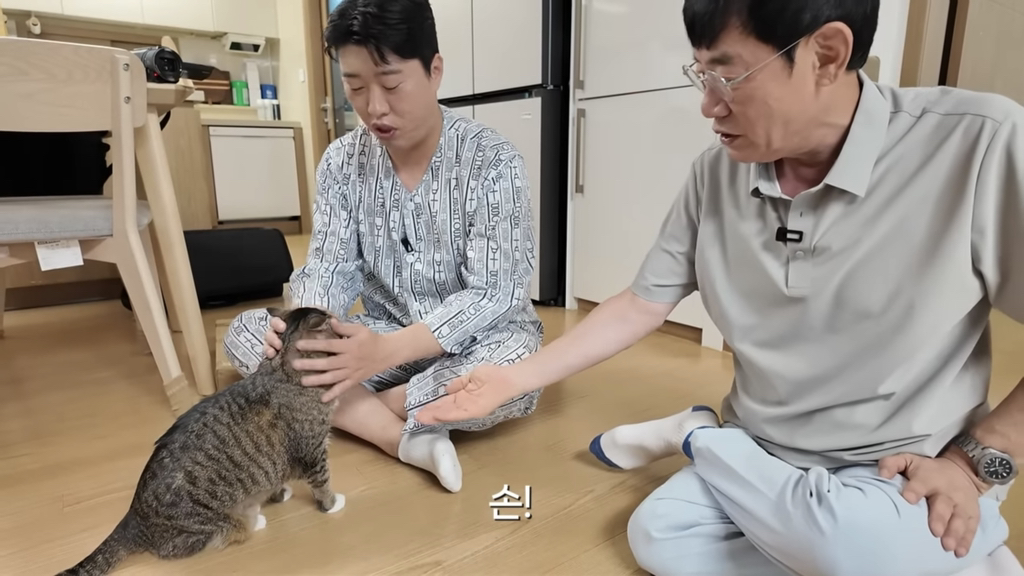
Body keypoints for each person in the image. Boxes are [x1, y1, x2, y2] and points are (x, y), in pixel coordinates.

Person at [416, 0, 1024, 573]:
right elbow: (641, 303)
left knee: (848, 549)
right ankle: (764, 482)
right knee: (660, 533)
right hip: (764, 451)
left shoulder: (978, 141)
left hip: (908, 465)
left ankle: (698, 439)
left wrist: (973, 464)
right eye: (701, 75)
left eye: (729, 77)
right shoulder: (715, 174)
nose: (709, 105)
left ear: (826, 55)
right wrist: (513, 379)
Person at [223, 0, 544, 495]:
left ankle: (334, 408)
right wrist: (303, 334)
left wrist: (379, 356)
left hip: (479, 340)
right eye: (355, 87)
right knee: (248, 333)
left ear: (434, 71)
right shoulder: (341, 161)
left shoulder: (492, 161)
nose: (373, 108)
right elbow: (329, 267)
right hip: (381, 333)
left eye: (391, 84)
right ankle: (402, 437)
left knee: (514, 368)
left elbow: (495, 294)